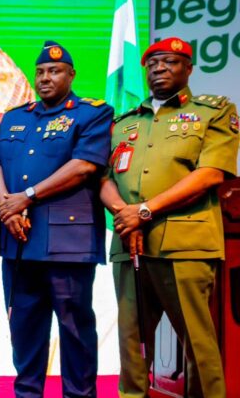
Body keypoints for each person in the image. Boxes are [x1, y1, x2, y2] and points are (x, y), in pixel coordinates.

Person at [100, 37, 238, 397]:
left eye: (171, 62)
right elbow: (104, 179)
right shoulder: (123, 123)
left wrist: (144, 210)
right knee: (131, 343)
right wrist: (123, 213)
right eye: (153, 63)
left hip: (185, 245)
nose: (159, 69)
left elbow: (211, 174)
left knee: (197, 342)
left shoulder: (214, 112)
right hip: (129, 244)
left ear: (189, 68)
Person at [0, 41, 113, 398]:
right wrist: (5, 206)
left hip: (66, 244)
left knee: (74, 328)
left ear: (71, 75)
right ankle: (27, 394)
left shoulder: (92, 113)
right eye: (40, 71)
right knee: (24, 327)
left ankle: (79, 394)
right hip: (19, 243)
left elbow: (84, 167)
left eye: (55, 71)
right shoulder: (15, 116)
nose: (45, 78)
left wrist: (25, 198)